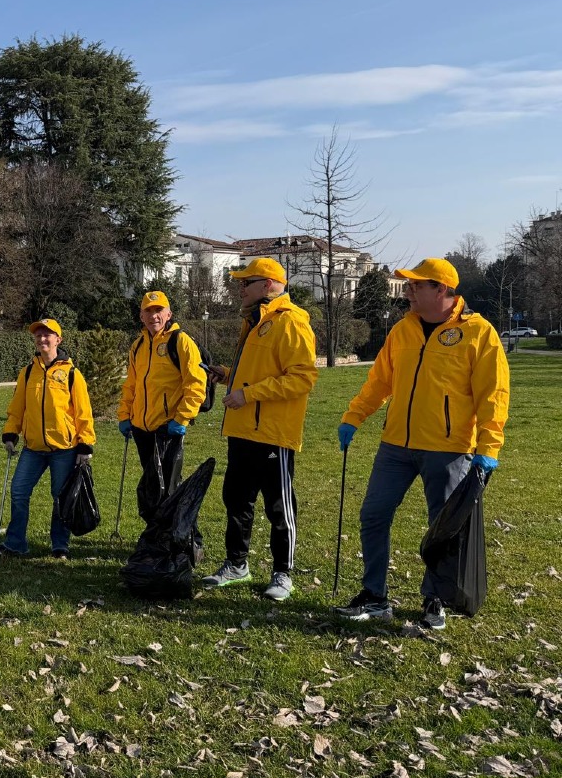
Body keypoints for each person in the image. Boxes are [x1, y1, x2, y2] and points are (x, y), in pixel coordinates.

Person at [334, 258, 510, 629]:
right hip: (395, 444)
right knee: (373, 515)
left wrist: (488, 449)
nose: (409, 292)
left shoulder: (478, 333)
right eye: (409, 285)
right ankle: (374, 596)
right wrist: (354, 416)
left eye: (417, 286)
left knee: (442, 526)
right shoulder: (402, 331)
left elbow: (492, 395)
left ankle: (435, 598)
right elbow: (380, 381)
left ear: (442, 290)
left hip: (449, 448)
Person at [202, 257, 318, 601]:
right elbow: (257, 370)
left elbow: (302, 378)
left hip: (272, 434)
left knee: (279, 507)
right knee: (236, 500)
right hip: (242, 431)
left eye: (245, 282)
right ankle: (237, 564)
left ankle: (283, 574)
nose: (239, 288)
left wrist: (248, 394)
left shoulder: (291, 322)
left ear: (267, 284)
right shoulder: (254, 321)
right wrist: (225, 374)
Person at [0, 318, 96, 559]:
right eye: (39, 335)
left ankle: (60, 545)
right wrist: (11, 432)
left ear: (58, 340)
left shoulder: (72, 373)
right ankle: (15, 543)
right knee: (19, 491)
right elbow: (17, 407)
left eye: (47, 335)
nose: (42, 339)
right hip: (32, 448)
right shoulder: (28, 371)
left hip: (64, 448)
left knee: (60, 498)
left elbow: (83, 412)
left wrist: (85, 444)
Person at [117, 290, 208, 512]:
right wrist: (124, 416)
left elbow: (196, 384)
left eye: (158, 310)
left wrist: (182, 418)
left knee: (169, 490)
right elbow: (131, 385)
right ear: (141, 316)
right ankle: (156, 538)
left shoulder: (181, 341)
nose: (153, 316)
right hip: (141, 429)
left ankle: (179, 540)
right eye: (148, 311)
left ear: (169, 314)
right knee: (151, 488)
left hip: (167, 429)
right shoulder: (137, 345)